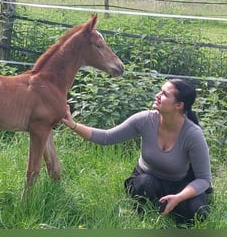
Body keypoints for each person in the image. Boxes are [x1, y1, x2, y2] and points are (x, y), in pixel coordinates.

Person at [61, 78, 212, 224]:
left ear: (179, 105)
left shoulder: (193, 134)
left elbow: (204, 179)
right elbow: (107, 137)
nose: (157, 96)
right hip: (146, 179)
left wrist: (179, 197)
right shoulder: (145, 120)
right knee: (145, 184)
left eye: (164, 94)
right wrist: (73, 125)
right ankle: (151, 209)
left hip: (178, 185)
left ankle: (171, 206)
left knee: (199, 211)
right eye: (160, 91)